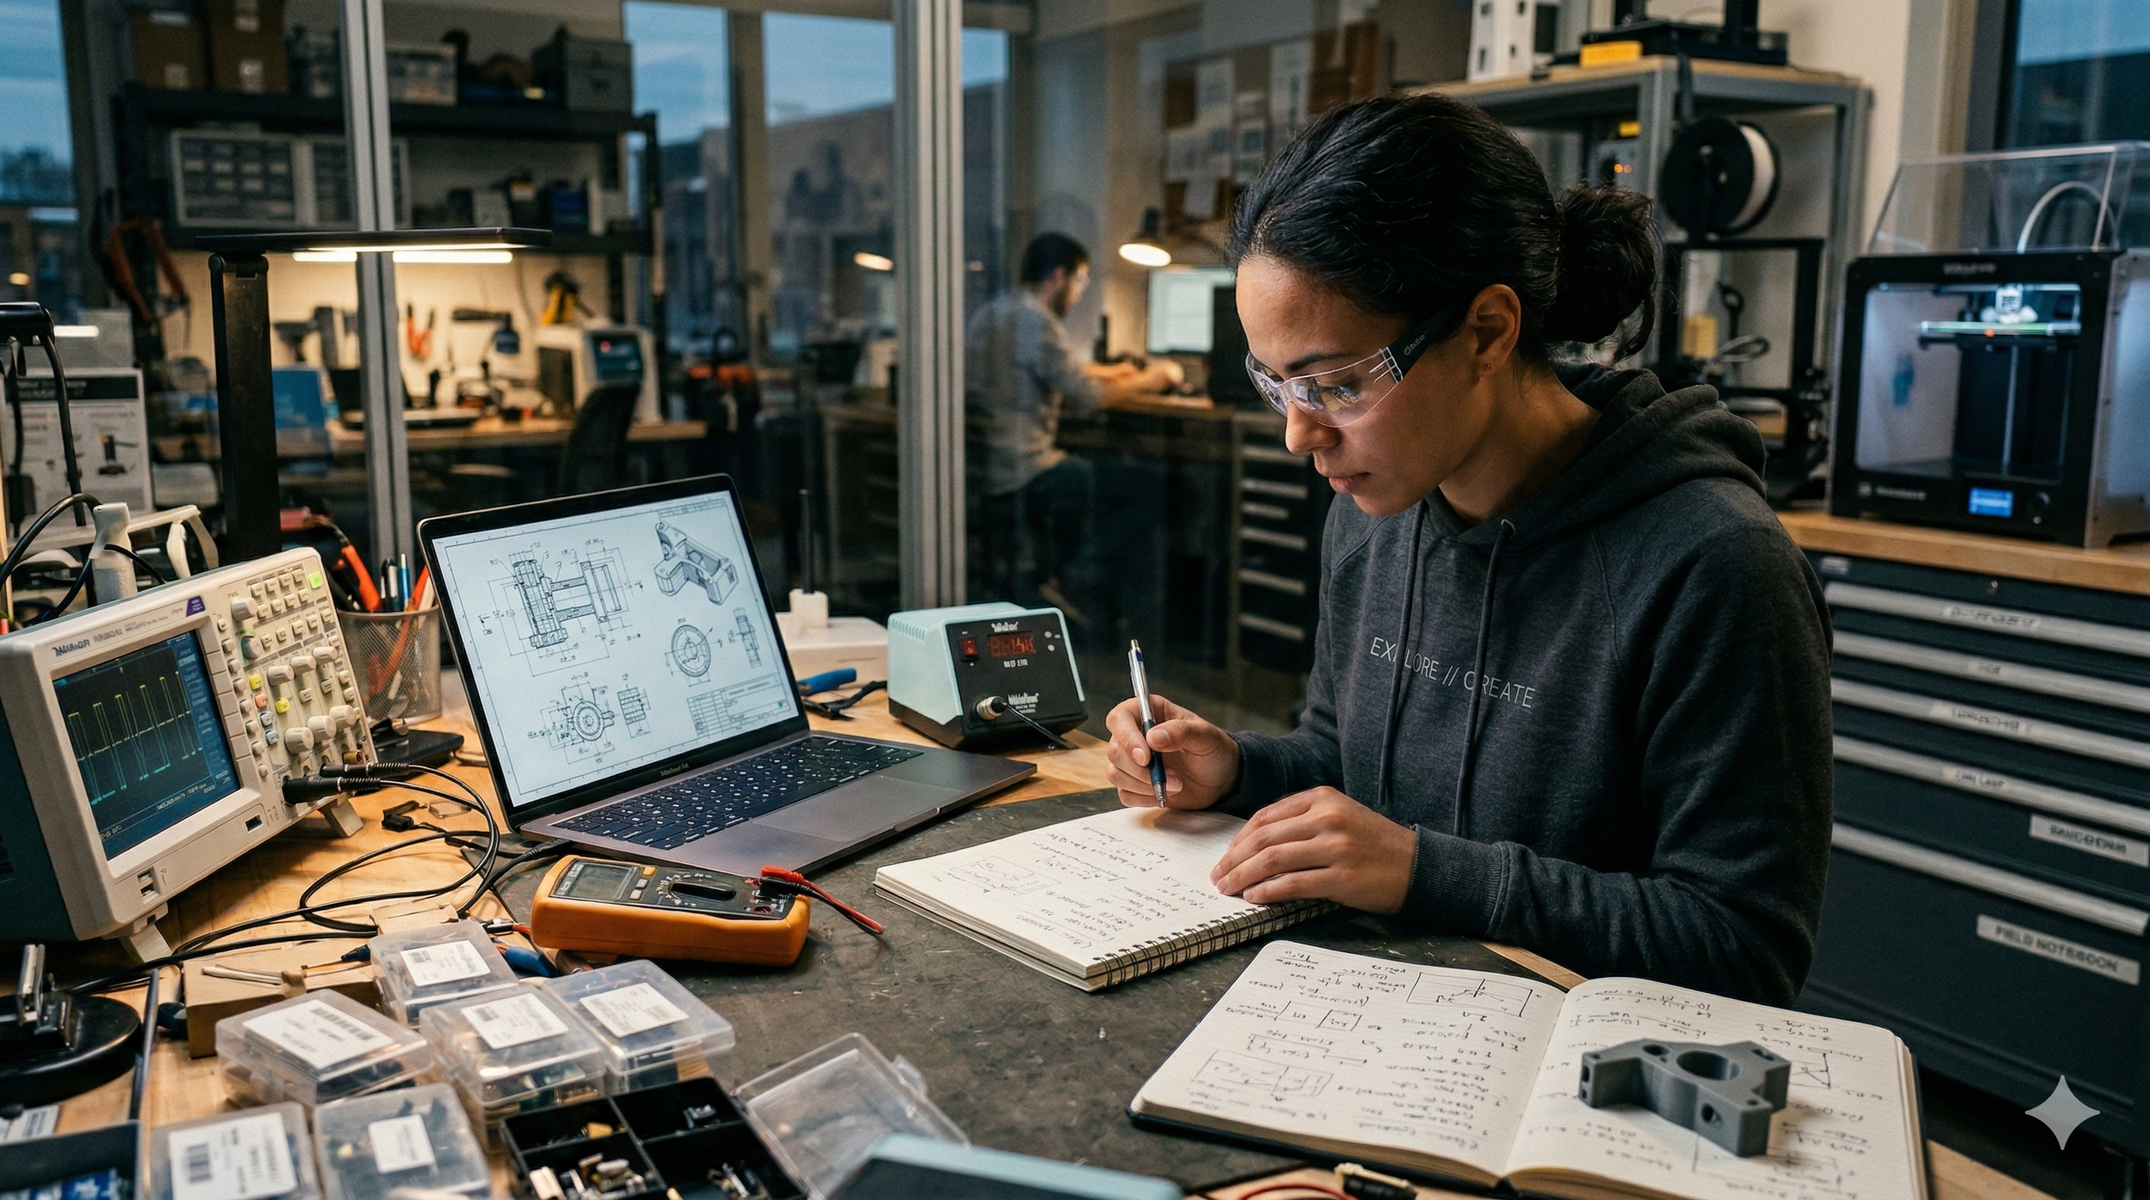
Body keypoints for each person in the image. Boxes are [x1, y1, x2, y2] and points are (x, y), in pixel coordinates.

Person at [1104, 93, 1832, 1005]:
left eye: (1335, 383)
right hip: (1378, 1011)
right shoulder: (1376, 508)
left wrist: (1428, 873)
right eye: (1276, 383)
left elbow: (1743, 948)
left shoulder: (1717, 567)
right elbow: (1349, 758)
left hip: (1572, 1089)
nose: (1300, 435)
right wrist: (1241, 769)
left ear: (1487, 330)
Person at [967, 233, 1177, 615]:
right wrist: (1153, 379)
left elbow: (1051, 369)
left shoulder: (994, 314)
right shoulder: (1035, 322)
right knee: (1152, 487)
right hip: (1027, 471)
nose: (1079, 293)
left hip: (991, 467)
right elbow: (1089, 398)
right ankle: (1081, 579)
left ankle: (1067, 576)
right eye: (1080, 281)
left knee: (1115, 478)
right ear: (1058, 277)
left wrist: (1111, 371)